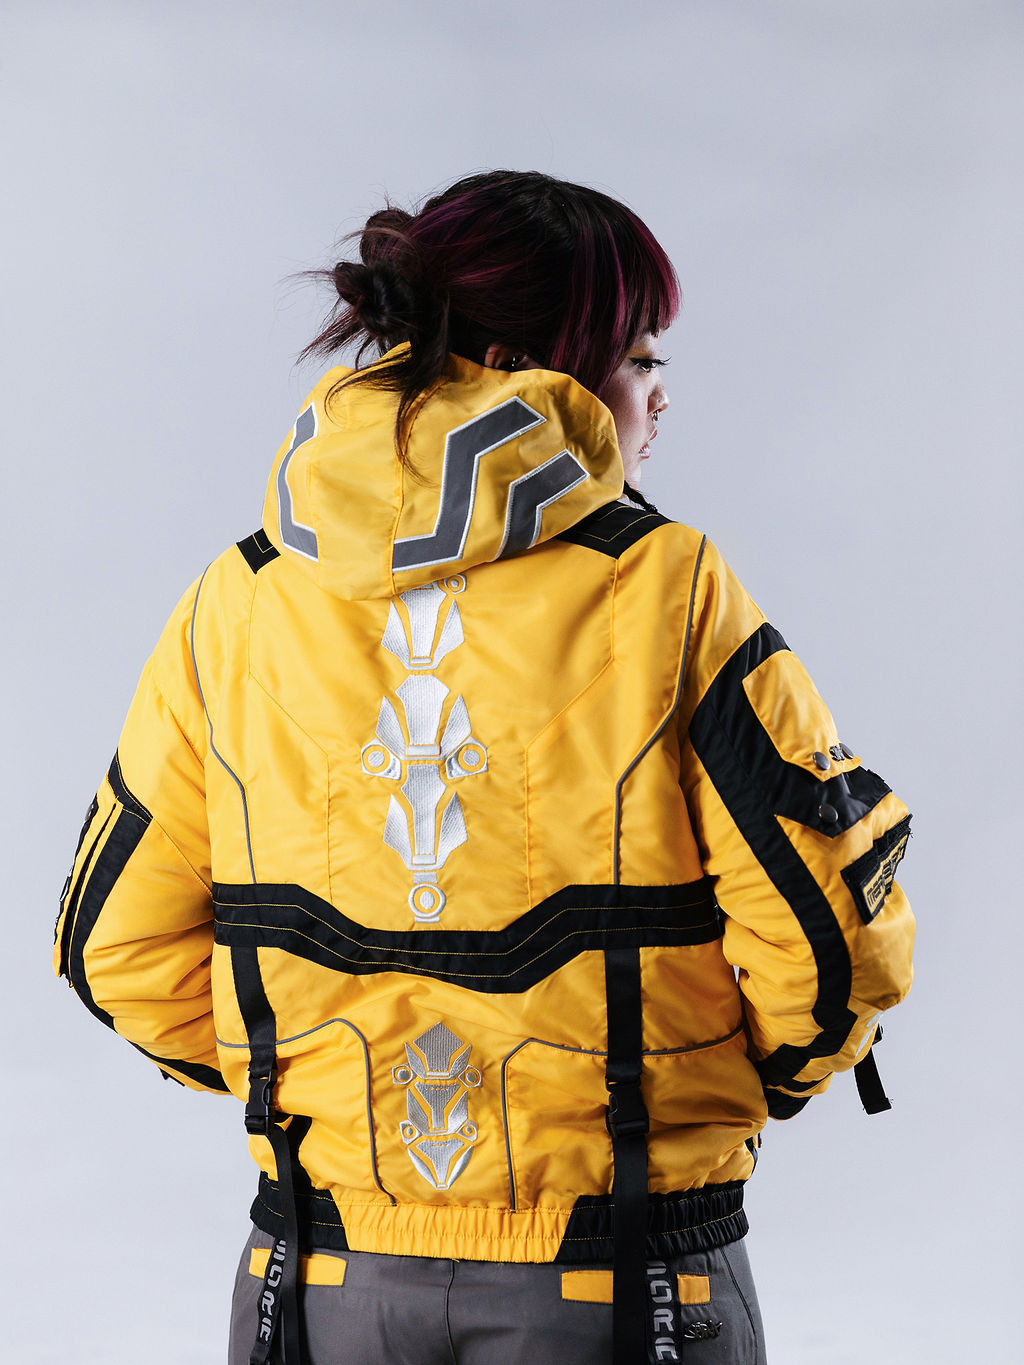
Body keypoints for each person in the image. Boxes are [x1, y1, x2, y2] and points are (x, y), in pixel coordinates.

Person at [54, 170, 915, 1365]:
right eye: (641, 356)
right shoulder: (667, 585)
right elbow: (830, 937)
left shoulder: (234, 601)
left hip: (319, 1273)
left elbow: (115, 947)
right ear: (531, 366)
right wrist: (709, 1094)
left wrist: (314, 1099)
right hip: (619, 1267)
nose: (660, 394)